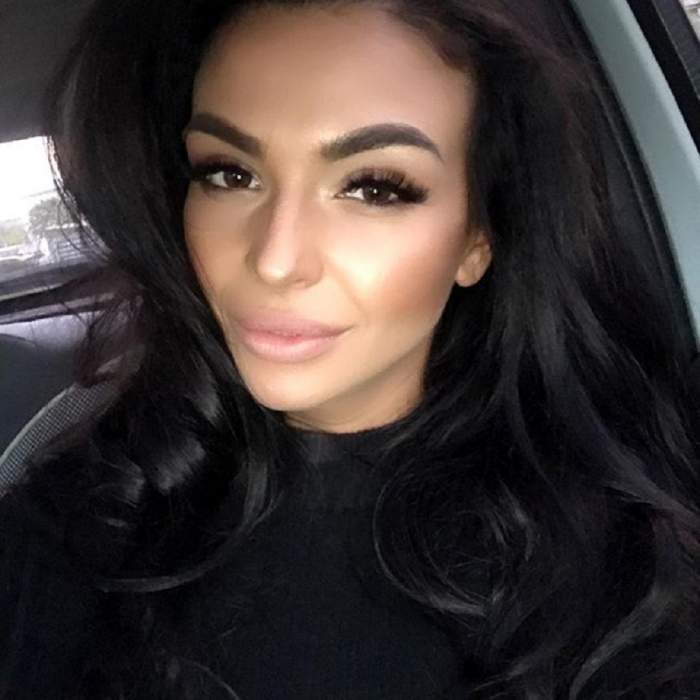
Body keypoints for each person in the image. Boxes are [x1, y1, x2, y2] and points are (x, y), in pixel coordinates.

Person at [1, 0, 699, 697]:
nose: (276, 261)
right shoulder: (78, 520)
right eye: (228, 173)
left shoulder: (626, 553)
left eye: (374, 188)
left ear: (477, 238)